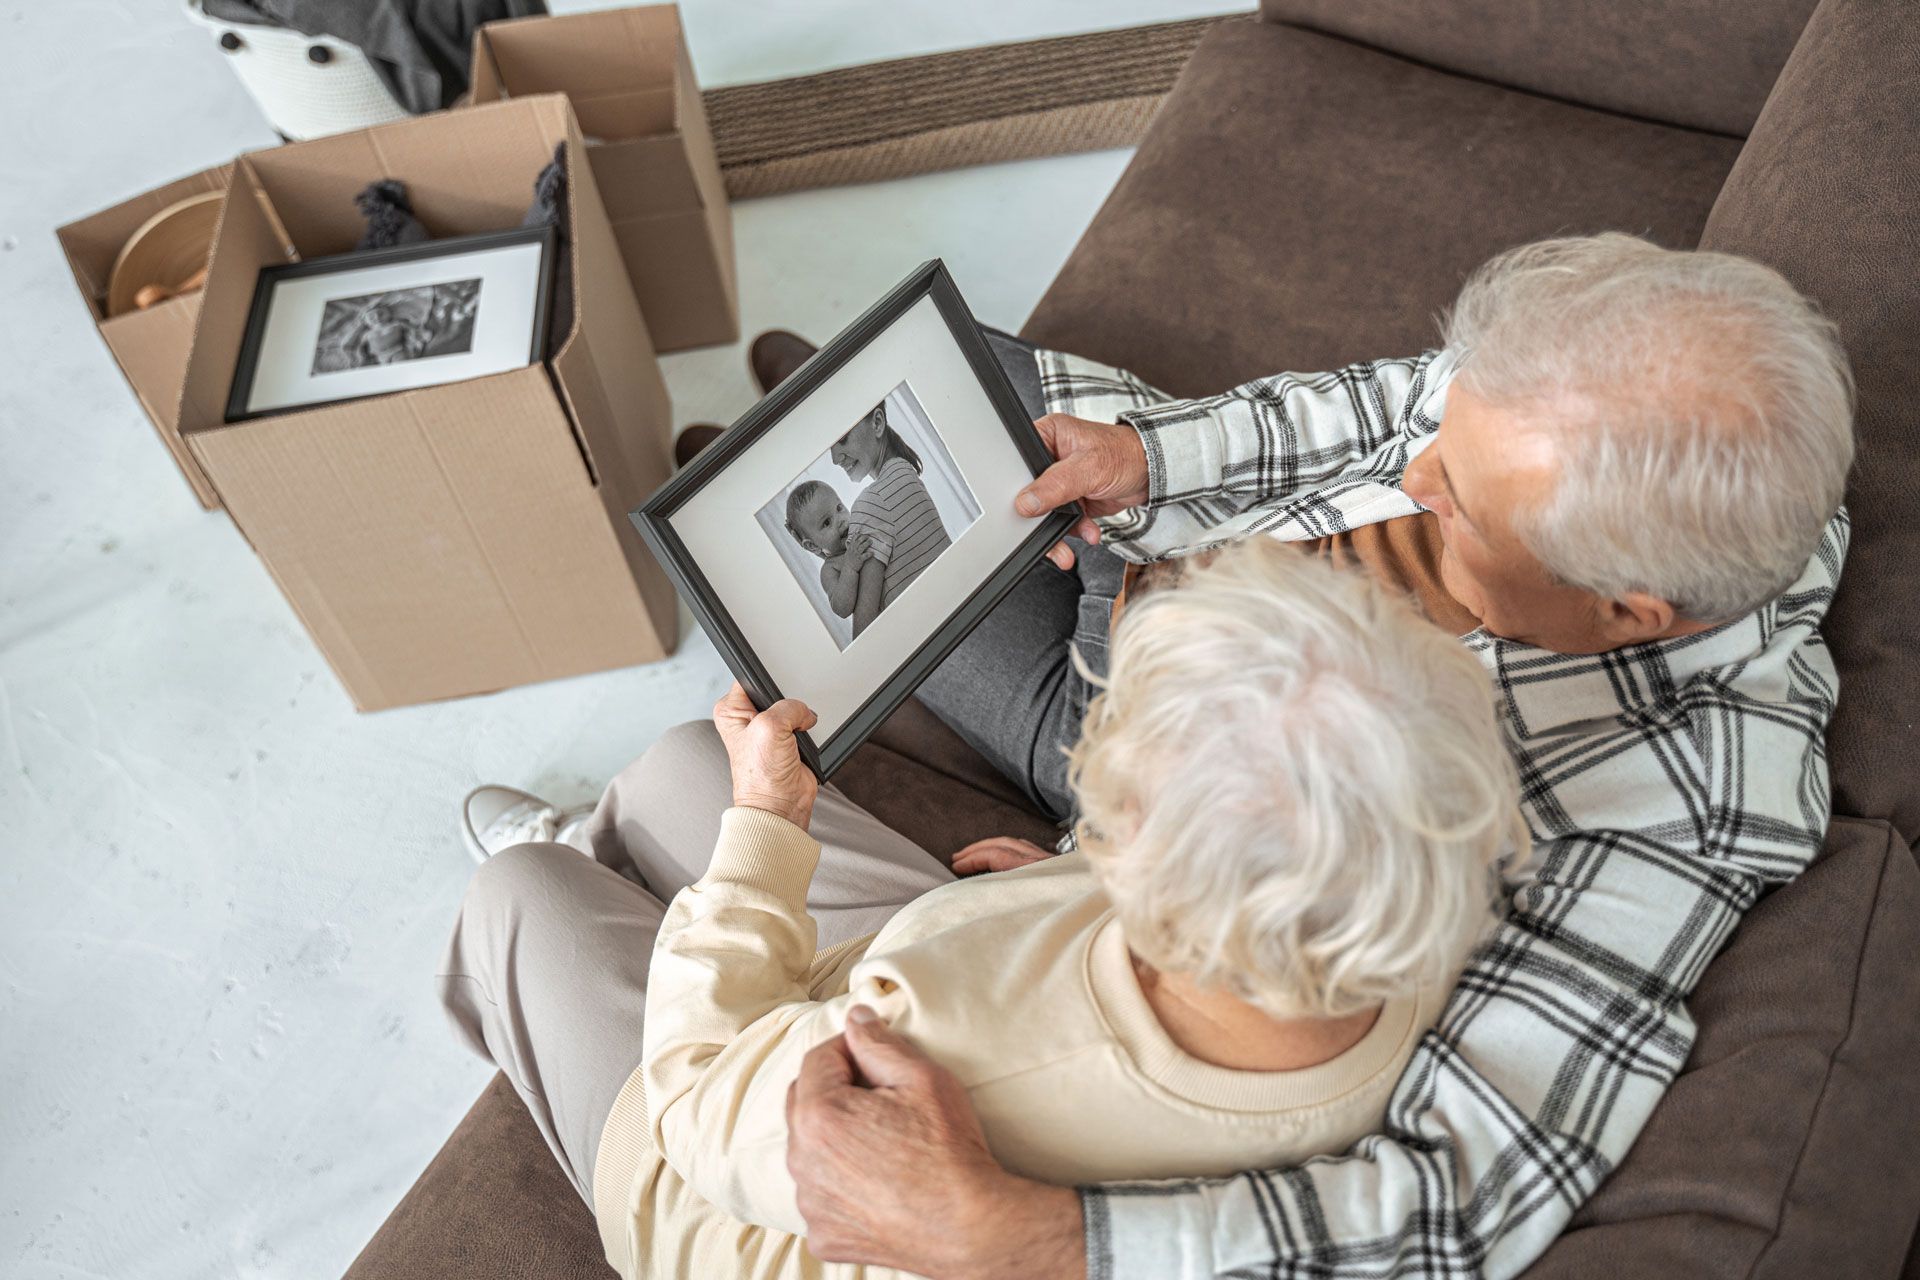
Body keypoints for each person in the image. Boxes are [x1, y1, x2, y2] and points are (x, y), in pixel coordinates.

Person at [448, 234, 1854, 1279]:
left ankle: (586, 849)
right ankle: (781, 465)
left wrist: (1034, 1239)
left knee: (586, 837)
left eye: (1461, 508)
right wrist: (1161, 464)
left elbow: (1465, 1196)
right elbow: (1381, 415)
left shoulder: (1685, 800)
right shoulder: (1673, 411)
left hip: (1182, 734)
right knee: (934, 407)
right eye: (1444, 437)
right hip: (1155, 723)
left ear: (1630, 613)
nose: (1411, 479)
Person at [831, 404, 953, 636]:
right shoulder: (905, 471)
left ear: (877, 423)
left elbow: (866, 638)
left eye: (842, 438)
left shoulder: (871, 501)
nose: (835, 458)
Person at [782, 480, 876, 620]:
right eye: (827, 522)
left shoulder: (860, 529)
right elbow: (841, 609)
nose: (841, 520)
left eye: (839, 508)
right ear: (812, 545)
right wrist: (850, 566)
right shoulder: (831, 569)